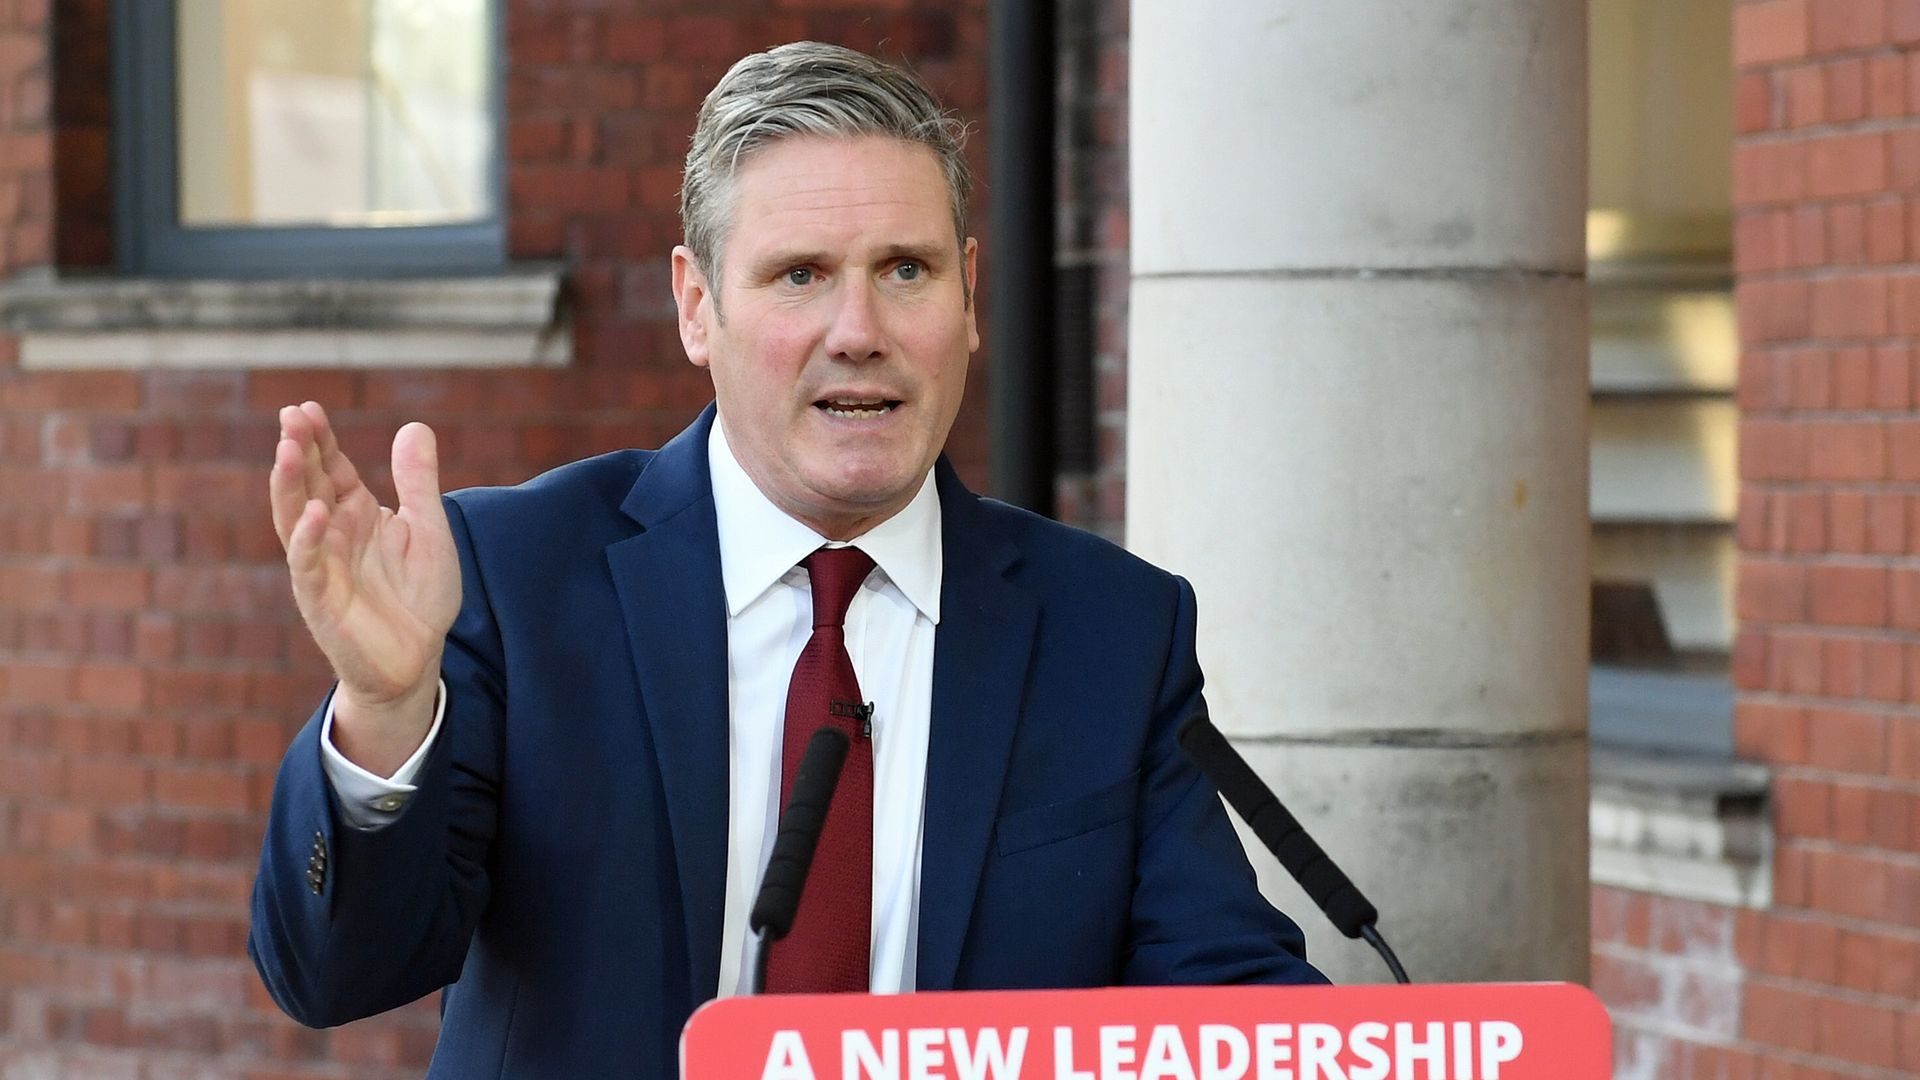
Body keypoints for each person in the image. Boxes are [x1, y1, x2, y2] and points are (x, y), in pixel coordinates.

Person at [250, 40, 1324, 1078]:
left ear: (969, 295)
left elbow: (1219, 1004)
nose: (859, 330)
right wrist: (385, 711)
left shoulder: (1110, 629)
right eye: (801, 275)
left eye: (906, 269)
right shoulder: (519, 578)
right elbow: (337, 974)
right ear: (696, 306)